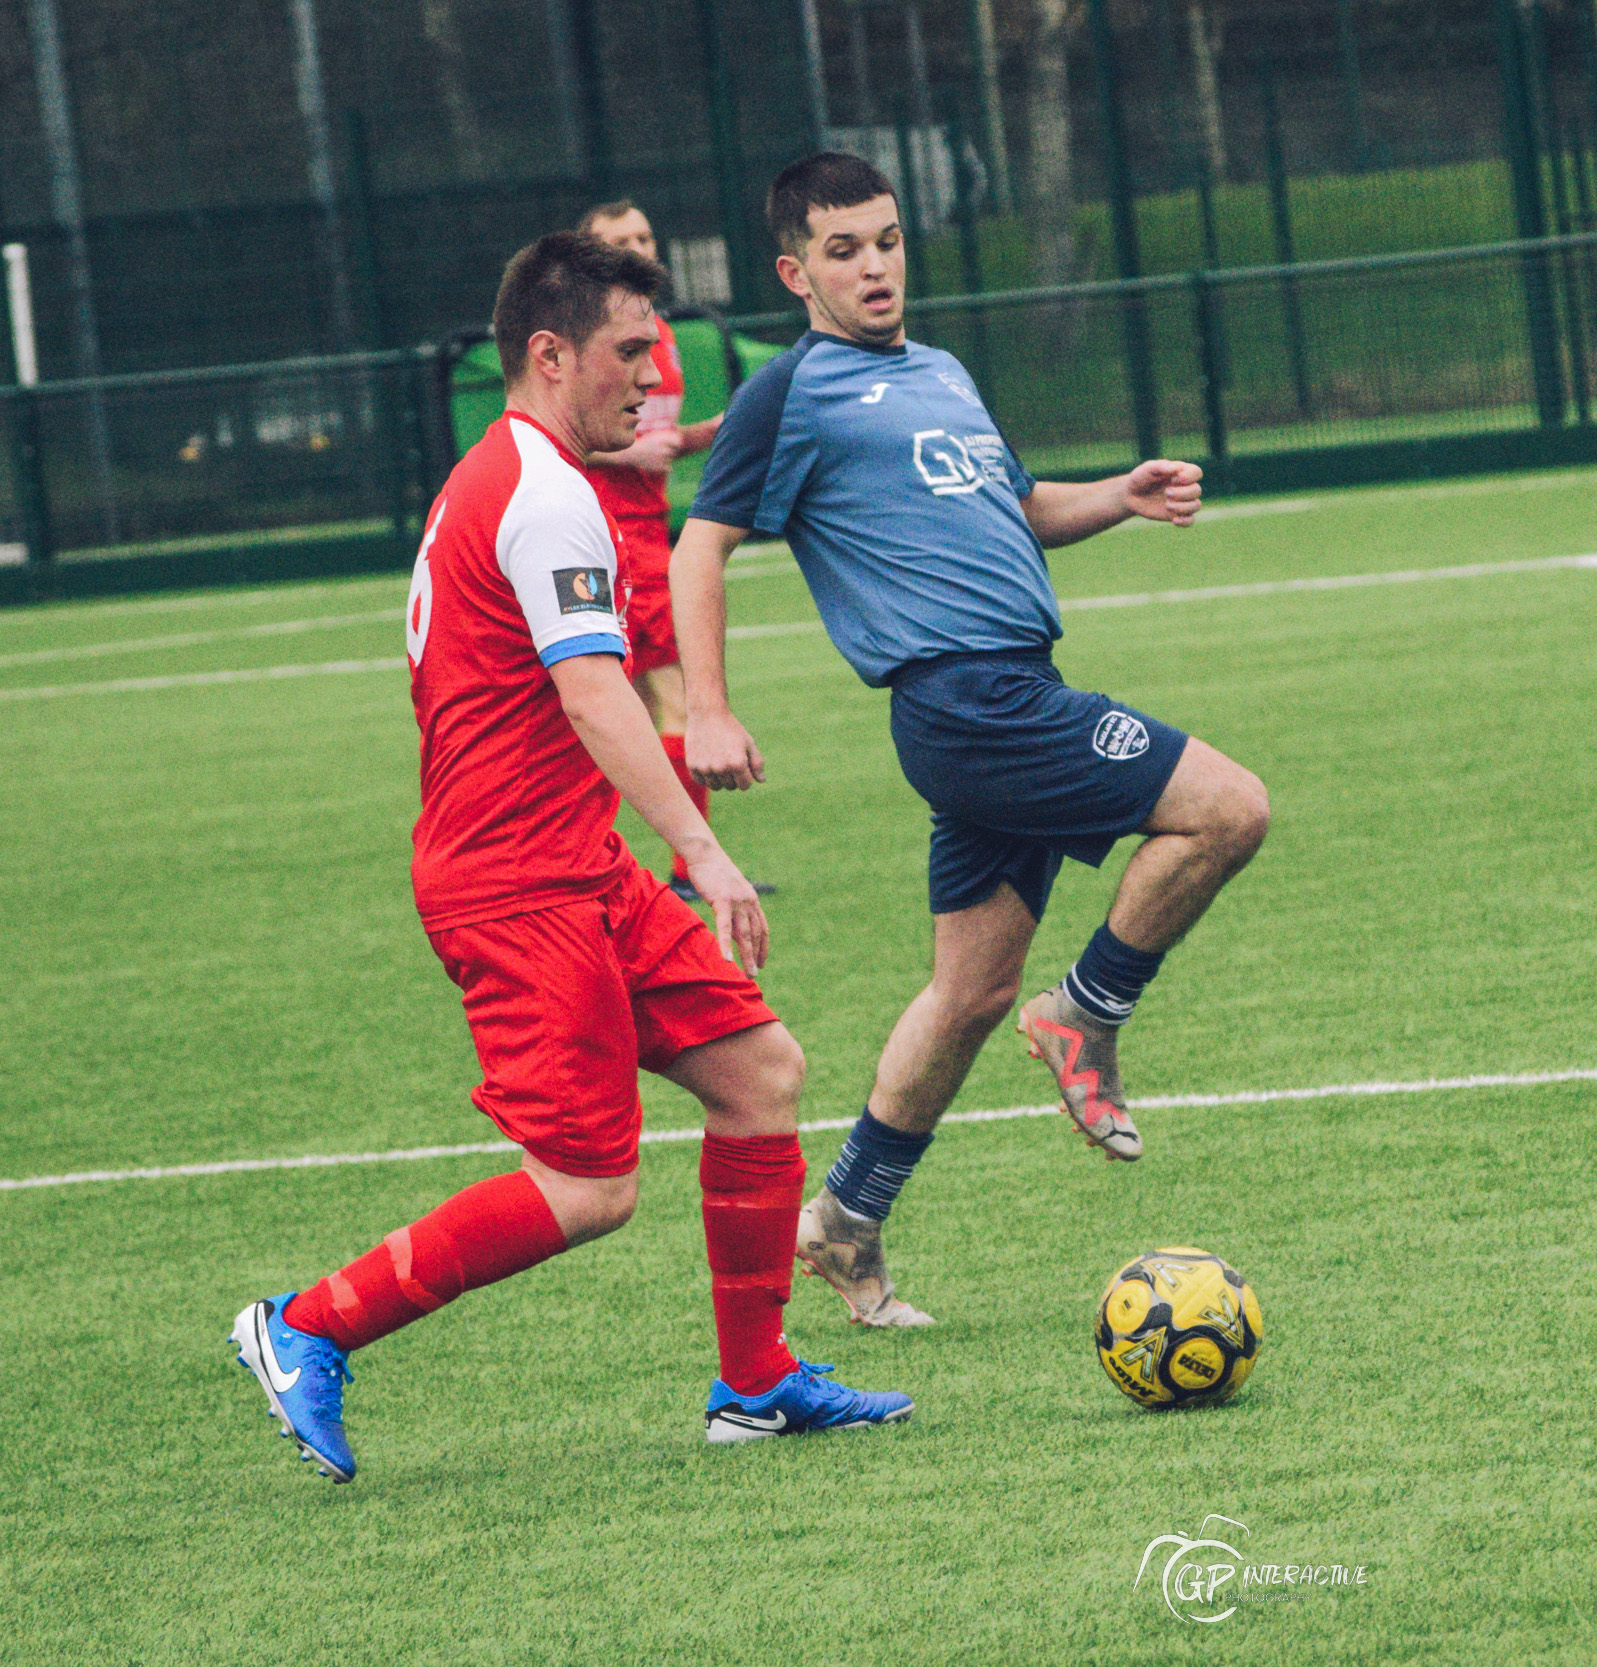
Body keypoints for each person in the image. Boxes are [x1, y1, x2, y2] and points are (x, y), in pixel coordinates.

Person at [227, 232, 909, 1483]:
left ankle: (755, 1384)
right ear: (550, 354)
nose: (654, 379)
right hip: (514, 884)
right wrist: (702, 850)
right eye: (631, 352)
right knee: (586, 1187)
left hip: (569, 861)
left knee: (761, 1072)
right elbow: (592, 693)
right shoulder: (542, 493)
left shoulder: (506, 473)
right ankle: (305, 1324)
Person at [670, 154, 1270, 1328]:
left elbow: (1018, 506)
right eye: (843, 251)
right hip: (963, 704)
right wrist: (705, 702)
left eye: (886, 241)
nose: (874, 266)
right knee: (1228, 806)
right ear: (795, 272)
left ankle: (844, 1220)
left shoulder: (941, 369)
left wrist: (1122, 495)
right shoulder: (786, 393)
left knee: (967, 988)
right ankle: (1089, 1010)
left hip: (1008, 690)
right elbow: (702, 544)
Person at [575, 199, 767, 901]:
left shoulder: (659, 331)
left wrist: (701, 434)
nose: (638, 247)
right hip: (611, 541)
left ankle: (633, 869)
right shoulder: (587, 335)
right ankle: (687, 868)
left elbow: (652, 440)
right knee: (671, 702)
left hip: (646, 531)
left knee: (620, 710)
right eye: (619, 240)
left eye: (645, 235)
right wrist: (631, 455)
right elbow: (561, 427)